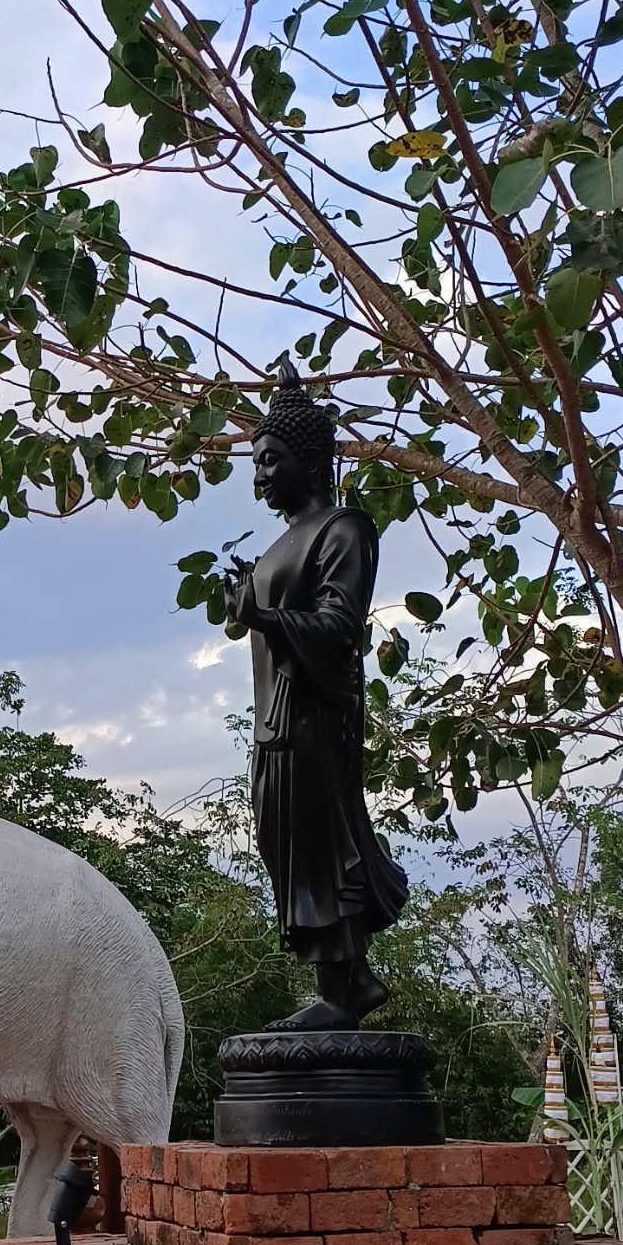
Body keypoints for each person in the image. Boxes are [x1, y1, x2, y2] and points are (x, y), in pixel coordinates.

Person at [223, 359, 408, 1031]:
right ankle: (350, 982)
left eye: (271, 459)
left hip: (314, 722)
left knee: (323, 847)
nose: (260, 475)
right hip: (273, 725)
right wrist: (250, 606)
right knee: (285, 848)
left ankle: (342, 990)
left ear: (310, 459)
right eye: (256, 463)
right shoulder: (278, 545)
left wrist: (265, 615)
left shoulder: (344, 529)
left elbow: (338, 628)